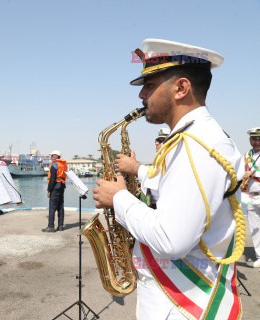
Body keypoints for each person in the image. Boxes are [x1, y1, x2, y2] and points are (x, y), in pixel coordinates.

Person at [95, 39, 243, 319]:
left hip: (182, 304)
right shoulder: (193, 139)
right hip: (178, 297)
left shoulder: (196, 146)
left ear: (181, 88)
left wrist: (119, 199)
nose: (141, 95)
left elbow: (171, 241)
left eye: (149, 85)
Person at [243, 127, 260, 267]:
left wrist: (253, 174)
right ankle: (259, 257)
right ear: (250, 140)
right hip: (250, 196)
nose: (257, 142)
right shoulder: (247, 155)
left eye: (259, 139)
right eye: (254, 139)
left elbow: (251, 174)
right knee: (254, 229)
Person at [43, 150, 68, 232]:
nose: (51, 157)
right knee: (60, 206)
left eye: (53, 156)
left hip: (55, 187)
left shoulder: (54, 165)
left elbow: (52, 180)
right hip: (62, 186)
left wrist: (49, 190)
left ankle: (51, 227)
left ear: (57, 156)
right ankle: (60, 226)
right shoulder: (64, 165)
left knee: (52, 207)